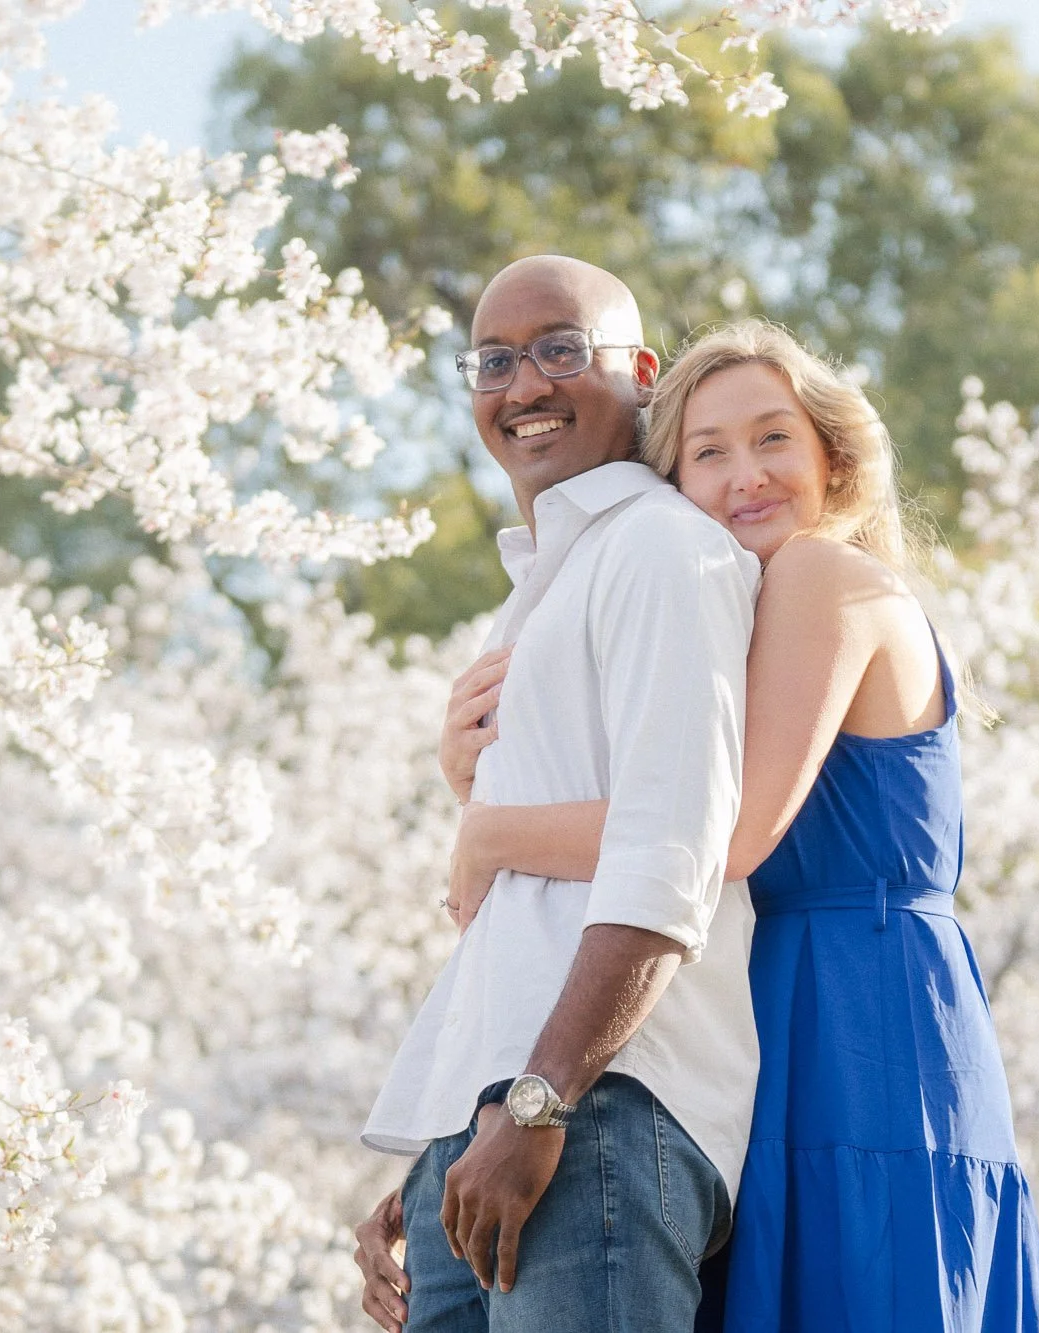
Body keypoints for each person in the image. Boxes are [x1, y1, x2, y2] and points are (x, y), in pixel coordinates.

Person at [437, 321, 1039, 1330]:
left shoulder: (821, 578)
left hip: (858, 1010)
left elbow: (723, 839)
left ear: (833, 459)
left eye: (773, 440)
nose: (744, 476)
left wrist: (492, 834)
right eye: (706, 453)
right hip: (766, 1006)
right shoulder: (733, 616)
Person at [352, 257, 763, 1333]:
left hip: (597, 1111)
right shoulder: (538, 590)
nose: (523, 383)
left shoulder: (664, 551)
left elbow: (669, 847)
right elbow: (519, 915)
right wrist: (437, 1136)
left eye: (558, 350)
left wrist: (539, 1100)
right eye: (493, 360)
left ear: (640, 374)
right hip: (495, 1120)